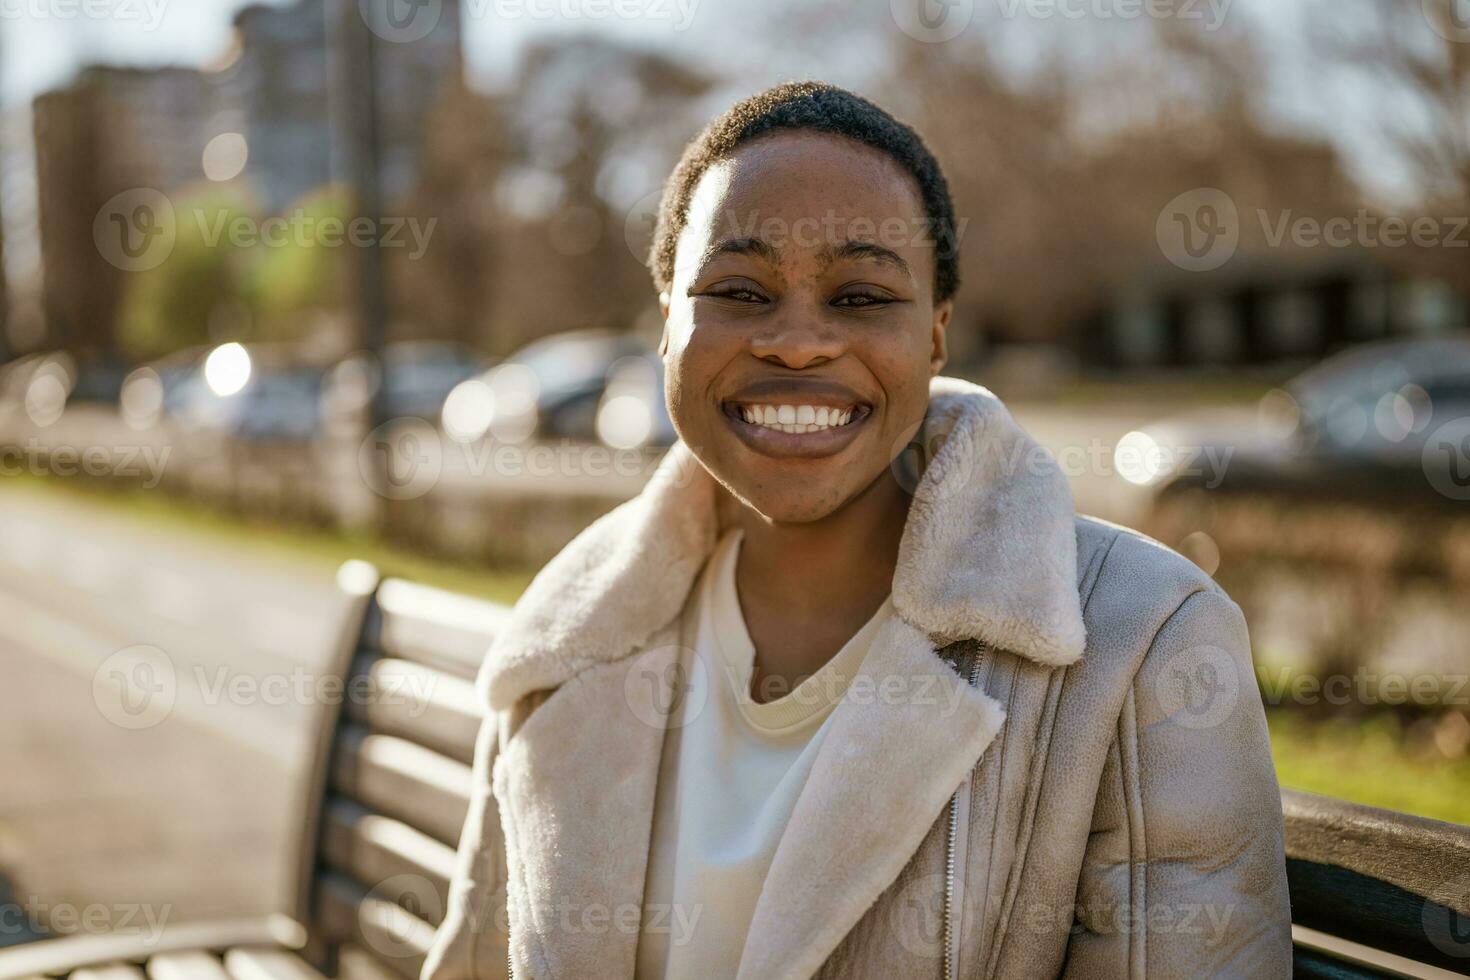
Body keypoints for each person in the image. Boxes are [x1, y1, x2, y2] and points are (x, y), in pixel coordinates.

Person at [422, 81, 1291, 980]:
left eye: (863, 296)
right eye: (737, 290)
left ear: (936, 338)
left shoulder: (1143, 641)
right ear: (666, 331)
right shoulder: (568, 635)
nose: (798, 343)